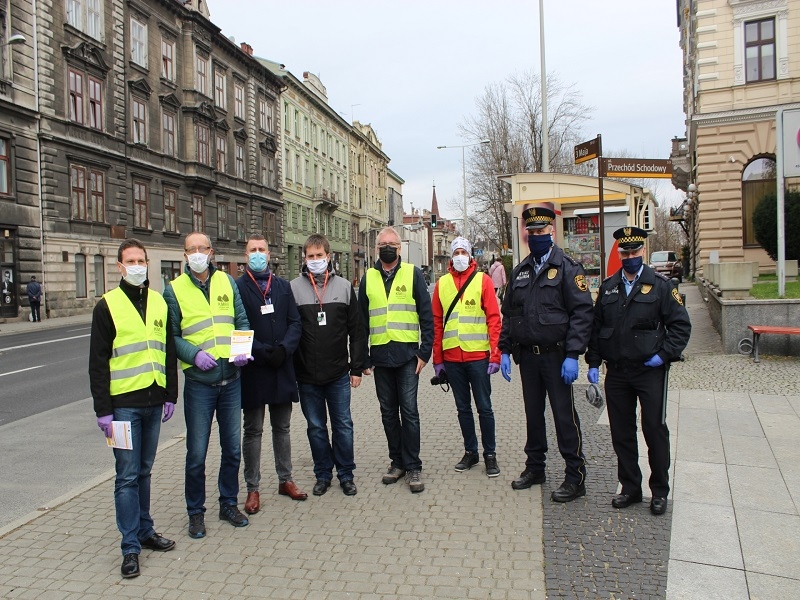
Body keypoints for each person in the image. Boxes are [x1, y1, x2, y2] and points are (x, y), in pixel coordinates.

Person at [585, 227, 691, 515]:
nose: (630, 257)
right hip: (617, 372)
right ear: (619, 254)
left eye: (635, 252)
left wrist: (664, 355)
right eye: (625, 253)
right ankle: (630, 487)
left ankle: (659, 491)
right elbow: (597, 329)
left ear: (643, 252)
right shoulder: (608, 287)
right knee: (622, 432)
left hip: (649, 371)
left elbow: (681, 326)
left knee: (654, 429)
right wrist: (593, 363)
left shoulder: (660, 285)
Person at [89, 239, 178, 578]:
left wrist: (171, 394)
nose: (138, 265)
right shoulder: (107, 306)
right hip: (123, 406)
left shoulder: (158, 302)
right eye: (131, 260)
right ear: (120, 266)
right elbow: (97, 363)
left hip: (154, 403)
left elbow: (167, 351)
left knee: (144, 471)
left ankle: (145, 529)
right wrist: (103, 410)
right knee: (126, 476)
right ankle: (130, 547)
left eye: (142, 259)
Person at [499, 207, 593, 503]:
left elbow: (582, 312)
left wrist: (574, 354)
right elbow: (509, 313)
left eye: (541, 232)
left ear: (551, 232)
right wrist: (504, 349)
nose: (536, 236)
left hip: (557, 357)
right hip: (528, 357)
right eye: (532, 232)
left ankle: (575, 476)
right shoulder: (521, 270)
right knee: (533, 416)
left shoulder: (567, 267)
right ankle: (535, 467)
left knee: (564, 417)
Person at [164, 232, 251, 538]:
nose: (198, 253)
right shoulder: (173, 290)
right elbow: (171, 337)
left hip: (231, 380)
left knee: (232, 450)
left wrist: (241, 349)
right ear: (184, 255)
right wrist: (194, 354)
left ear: (212, 252)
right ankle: (195, 512)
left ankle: (228, 503)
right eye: (192, 249)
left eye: (203, 248)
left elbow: (241, 320)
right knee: (196, 453)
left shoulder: (227, 282)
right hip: (200, 384)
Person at [290, 234, 367, 496]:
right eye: (310, 256)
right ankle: (323, 474)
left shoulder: (345, 287)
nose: (315, 261)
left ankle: (346, 474)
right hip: (307, 376)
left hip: (338, 373)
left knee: (343, 425)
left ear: (328, 256)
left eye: (319, 256)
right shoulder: (294, 289)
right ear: (304, 258)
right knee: (316, 428)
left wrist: (356, 368)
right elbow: (291, 332)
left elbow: (356, 331)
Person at [359, 227, 434, 493]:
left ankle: (414, 466)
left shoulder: (412, 274)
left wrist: (425, 352)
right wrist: (362, 359)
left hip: (407, 357)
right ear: (376, 248)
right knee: (388, 413)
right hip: (380, 357)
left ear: (399, 248)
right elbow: (361, 323)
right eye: (382, 244)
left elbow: (427, 315)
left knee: (409, 412)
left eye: (392, 243)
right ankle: (397, 462)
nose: (387, 247)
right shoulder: (367, 277)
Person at [235, 234, 307, 514]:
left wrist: (285, 349)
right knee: (253, 430)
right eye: (252, 250)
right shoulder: (238, 287)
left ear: (269, 254)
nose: (257, 254)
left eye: (261, 249)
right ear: (245, 256)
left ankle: (285, 479)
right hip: (254, 366)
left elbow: (295, 322)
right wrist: (264, 351)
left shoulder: (282, 286)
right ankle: (252, 488)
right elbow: (238, 327)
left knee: (283, 428)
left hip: (282, 366)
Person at [432, 237, 502, 477]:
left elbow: (494, 319)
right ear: (451, 256)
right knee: (463, 409)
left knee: (484, 407)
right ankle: (470, 452)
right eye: (456, 252)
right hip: (452, 359)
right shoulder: (442, 284)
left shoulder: (483, 280)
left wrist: (496, 354)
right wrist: (437, 359)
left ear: (470, 256)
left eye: (463, 252)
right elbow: (436, 324)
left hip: (478, 358)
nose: (459, 256)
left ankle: (490, 454)